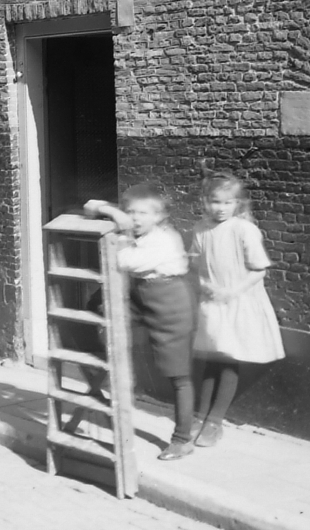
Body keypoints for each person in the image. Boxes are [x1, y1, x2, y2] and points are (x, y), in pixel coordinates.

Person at [85, 185, 198, 460]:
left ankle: (183, 437)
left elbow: (123, 261)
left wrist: (121, 230)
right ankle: (110, 386)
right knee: (100, 319)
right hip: (139, 295)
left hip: (169, 301)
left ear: (159, 216)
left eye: (143, 213)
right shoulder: (133, 227)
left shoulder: (165, 239)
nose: (135, 218)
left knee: (177, 374)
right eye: (131, 212)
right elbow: (89, 205)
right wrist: (111, 210)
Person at [191, 173, 284, 448]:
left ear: (237, 203)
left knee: (228, 359)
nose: (220, 208)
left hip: (238, 302)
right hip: (213, 302)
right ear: (205, 202)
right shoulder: (200, 229)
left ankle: (214, 421)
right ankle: (199, 416)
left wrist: (232, 291)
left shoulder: (244, 229)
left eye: (227, 202)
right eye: (215, 202)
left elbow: (259, 270)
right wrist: (204, 285)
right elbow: (195, 266)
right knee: (211, 359)